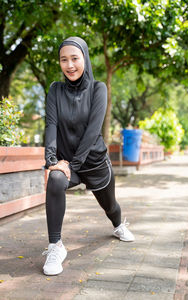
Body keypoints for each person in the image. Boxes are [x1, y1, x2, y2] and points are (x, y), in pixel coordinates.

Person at [43, 36, 135, 276]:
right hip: (67, 166)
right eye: (64, 60)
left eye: (75, 58)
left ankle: (117, 226)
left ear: (85, 58)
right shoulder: (55, 90)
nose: (70, 65)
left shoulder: (99, 89)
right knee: (54, 180)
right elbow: (51, 125)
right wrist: (52, 162)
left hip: (94, 163)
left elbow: (93, 132)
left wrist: (72, 164)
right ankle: (55, 246)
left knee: (111, 207)